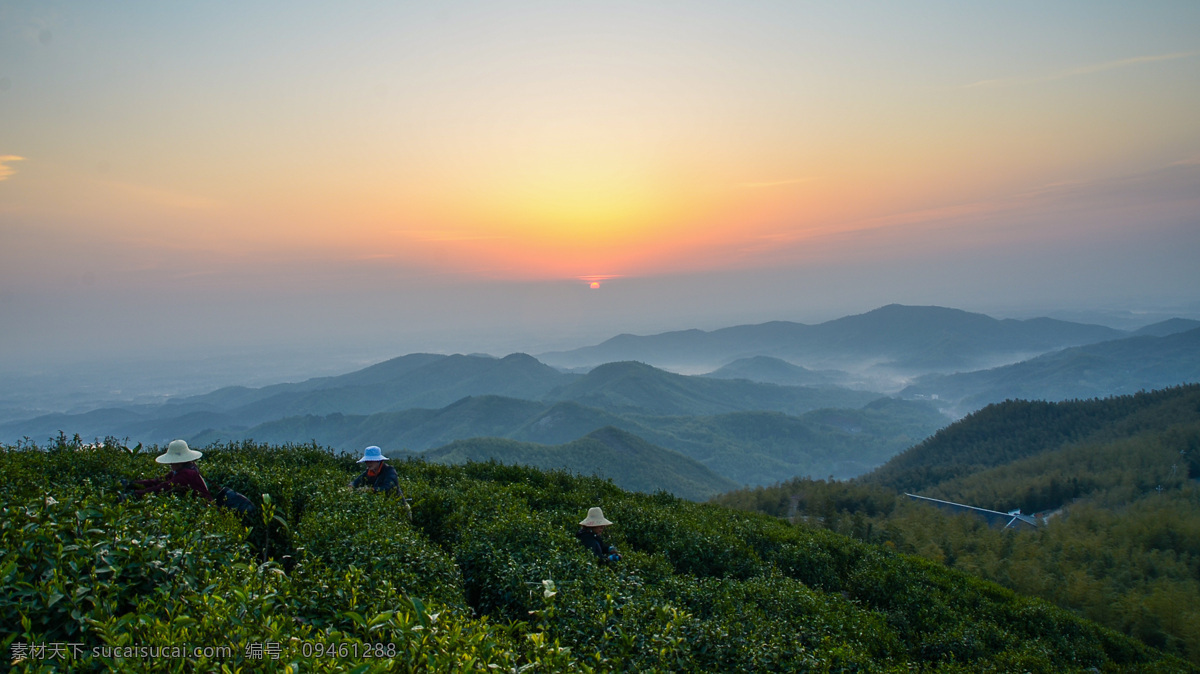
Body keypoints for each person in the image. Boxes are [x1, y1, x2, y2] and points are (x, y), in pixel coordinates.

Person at [129, 440, 212, 500]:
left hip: (204, 509)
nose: (170, 464)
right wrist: (133, 484)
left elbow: (162, 488)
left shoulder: (186, 474)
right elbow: (159, 481)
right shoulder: (184, 469)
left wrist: (135, 494)